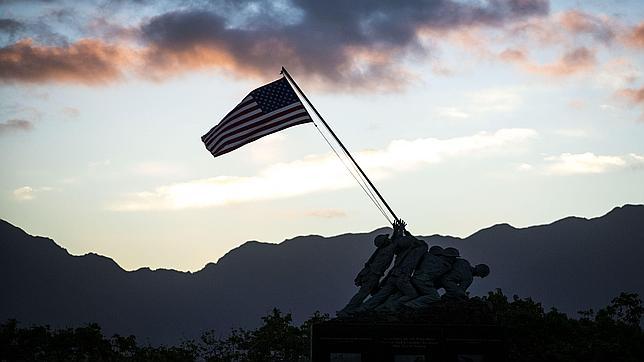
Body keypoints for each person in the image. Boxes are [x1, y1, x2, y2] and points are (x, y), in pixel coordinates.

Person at [359, 220, 428, 312]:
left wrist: (400, 230)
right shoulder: (416, 252)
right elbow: (420, 244)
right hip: (402, 278)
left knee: (380, 296)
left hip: (393, 277)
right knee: (412, 295)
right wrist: (403, 232)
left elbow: (398, 242)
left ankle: (364, 308)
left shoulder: (399, 253)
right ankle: (389, 306)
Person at [336, 231, 396, 317]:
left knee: (377, 294)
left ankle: (370, 309)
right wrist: (399, 230)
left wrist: (397, 229)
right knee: (363, 294)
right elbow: (395, 243)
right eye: (387, 239)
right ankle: (348, 310)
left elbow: (393, 241)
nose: (389, 240)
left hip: (373, 276)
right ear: (384, 243)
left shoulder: (383, 249)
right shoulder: (386, 251)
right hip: (372, 276)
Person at [403, 245, 455, 310]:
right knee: (434, 297)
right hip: (423, 282)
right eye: (453, 258)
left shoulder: (426, 257)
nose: (453, 260)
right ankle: (412, 304)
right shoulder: (446, 266)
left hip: (414, 278)